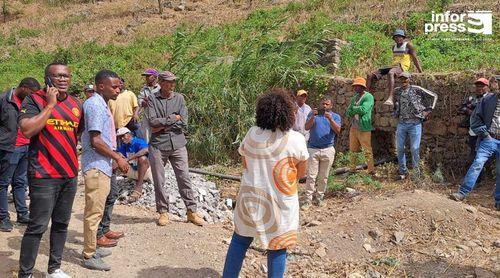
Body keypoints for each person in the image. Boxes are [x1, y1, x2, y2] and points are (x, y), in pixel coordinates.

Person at [222, 88, 308, 278]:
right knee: (277, 247)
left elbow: (245, 162)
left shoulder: (252, 134)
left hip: (249, 199)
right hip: (279, 203)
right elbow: (302, 173)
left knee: (240, 241)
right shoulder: (296, 139)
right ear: (288, 113)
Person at [17, 63, 83, 278]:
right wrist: (50, 106)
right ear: (47, 79)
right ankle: (25, 273)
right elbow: (27, 130)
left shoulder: (76, 104)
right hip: (43, 175)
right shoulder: (35, 100)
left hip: (69, 174)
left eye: (66, 76)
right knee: (37, 226)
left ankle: (54, 269)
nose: (63, 80)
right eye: (57, 76)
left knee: (61, 224)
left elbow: (77, 135)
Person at [81, 69, 129, 271]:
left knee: (98, 209)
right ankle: (89, 254)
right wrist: (117, 156)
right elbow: (96, 141)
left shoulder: (102, 104)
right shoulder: (95, 105)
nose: (119, 89)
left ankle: (92, 246)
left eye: (119, 85)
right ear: (101, 86)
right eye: (115, 86)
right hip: (96, 166)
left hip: (103, 165)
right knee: (93, 212)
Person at [147, 71, 204, 226]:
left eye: (173, 82)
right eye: (169, 82)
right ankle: (163, 212)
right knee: (159, 180)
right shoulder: (152, 98)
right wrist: (173, 118)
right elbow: (152, 122)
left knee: (184, 177)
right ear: (161, 82)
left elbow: (184, 123)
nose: (172, 85)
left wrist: (163, 125)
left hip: (178, 143)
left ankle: (191, 211)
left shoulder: (179, 98)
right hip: (158, 145)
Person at [0, 78, 40, 232]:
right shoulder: (4, 99)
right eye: (31, 92)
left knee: (20, 182)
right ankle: (3, 217)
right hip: (9, 148)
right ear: (23, 88)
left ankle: (22, 214)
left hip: (26, 147)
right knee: (3, 183)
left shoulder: (28, 102)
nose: (33, 95)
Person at [450, 87, 500, 211]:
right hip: (489, 138)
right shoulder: (488, 99)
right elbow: (475, 118)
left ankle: (498, 201)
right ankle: (462, 193)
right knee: (477, 163)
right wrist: (485, 134)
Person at [393, 72, 437, 180]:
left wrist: (427, 111)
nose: (403, 81)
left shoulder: (416, 89)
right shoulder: (397, 91)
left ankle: (416, 173)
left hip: (415, 124)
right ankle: (403, 172)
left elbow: (434, 96)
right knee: (399, 148)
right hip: (402, 123)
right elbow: (396, 104)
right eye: (401, 79)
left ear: (409, 79)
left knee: (414, 148)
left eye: (405, 79)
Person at [302, 96, 342, 209]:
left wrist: (330, 119)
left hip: (328, 149)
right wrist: (313, 117)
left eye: (327, 104)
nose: (324, 106)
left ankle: (319, 197)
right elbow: (306, 127)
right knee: (311, 176)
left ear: (331, 106)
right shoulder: (313, 114)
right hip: (313, 149)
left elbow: (338, 130)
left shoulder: (335, 116)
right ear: (320, 104)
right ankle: (307, 200)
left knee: (324, 176)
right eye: (323, 104)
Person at [367, 29, 423, 106]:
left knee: (391, 73)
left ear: (403, 37)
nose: (397, 39)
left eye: (400, 37)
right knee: (370, 75)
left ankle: (390, 97)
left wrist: (420, 72)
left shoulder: (408, 45)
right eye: (396, 37)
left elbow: (415, 59)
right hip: (393, 66)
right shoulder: (394, 47)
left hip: (402, 66)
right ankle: (366, 95)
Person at [458, 78, 492, 182]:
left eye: (482, 86)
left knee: (486, 154)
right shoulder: (472, 98)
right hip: (474, 131)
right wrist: (472, 112)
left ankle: (487, 177)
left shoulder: (492, 98)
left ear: (487, 87)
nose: (479, 88)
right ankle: (477, 179)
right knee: (474, 153)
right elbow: (461, 109)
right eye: (477, 86)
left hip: (488, 131)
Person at [346, 77, 375, 174]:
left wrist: (354, 108)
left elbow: (364, 110)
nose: (355, 88)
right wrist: (355, 109)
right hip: (354, 128)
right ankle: (352, 169)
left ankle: (371, 170)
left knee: (367, 150)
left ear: (363, 87)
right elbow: (348, 112)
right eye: (355, 86)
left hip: (364, 128)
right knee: (353, 150)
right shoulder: (354, 98)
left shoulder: (368, 97)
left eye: (358, 86)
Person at [116, 127, 152, 203]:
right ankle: (111, 186)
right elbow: (117, 153)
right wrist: (119, 155)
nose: (122, 139)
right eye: (120, 137)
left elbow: (146, 150)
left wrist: (128, 159)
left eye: (123, 136)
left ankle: (139, 186)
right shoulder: (124, 146)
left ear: (129, 134)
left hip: (145, 172)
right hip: (133, 171)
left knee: (142, 159)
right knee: (116, 160)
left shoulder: (138, 141)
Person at [137, 68, 160, 143]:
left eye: (148, 76)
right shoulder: (144, 89)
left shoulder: (160, 88)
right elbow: (140, 100)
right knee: (146, 136)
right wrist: (143, 102)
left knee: (158, 135)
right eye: (146, 76)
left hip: (158, 115)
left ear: (154, 77)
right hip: (147, 116)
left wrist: (150, 100)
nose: (146, 78)